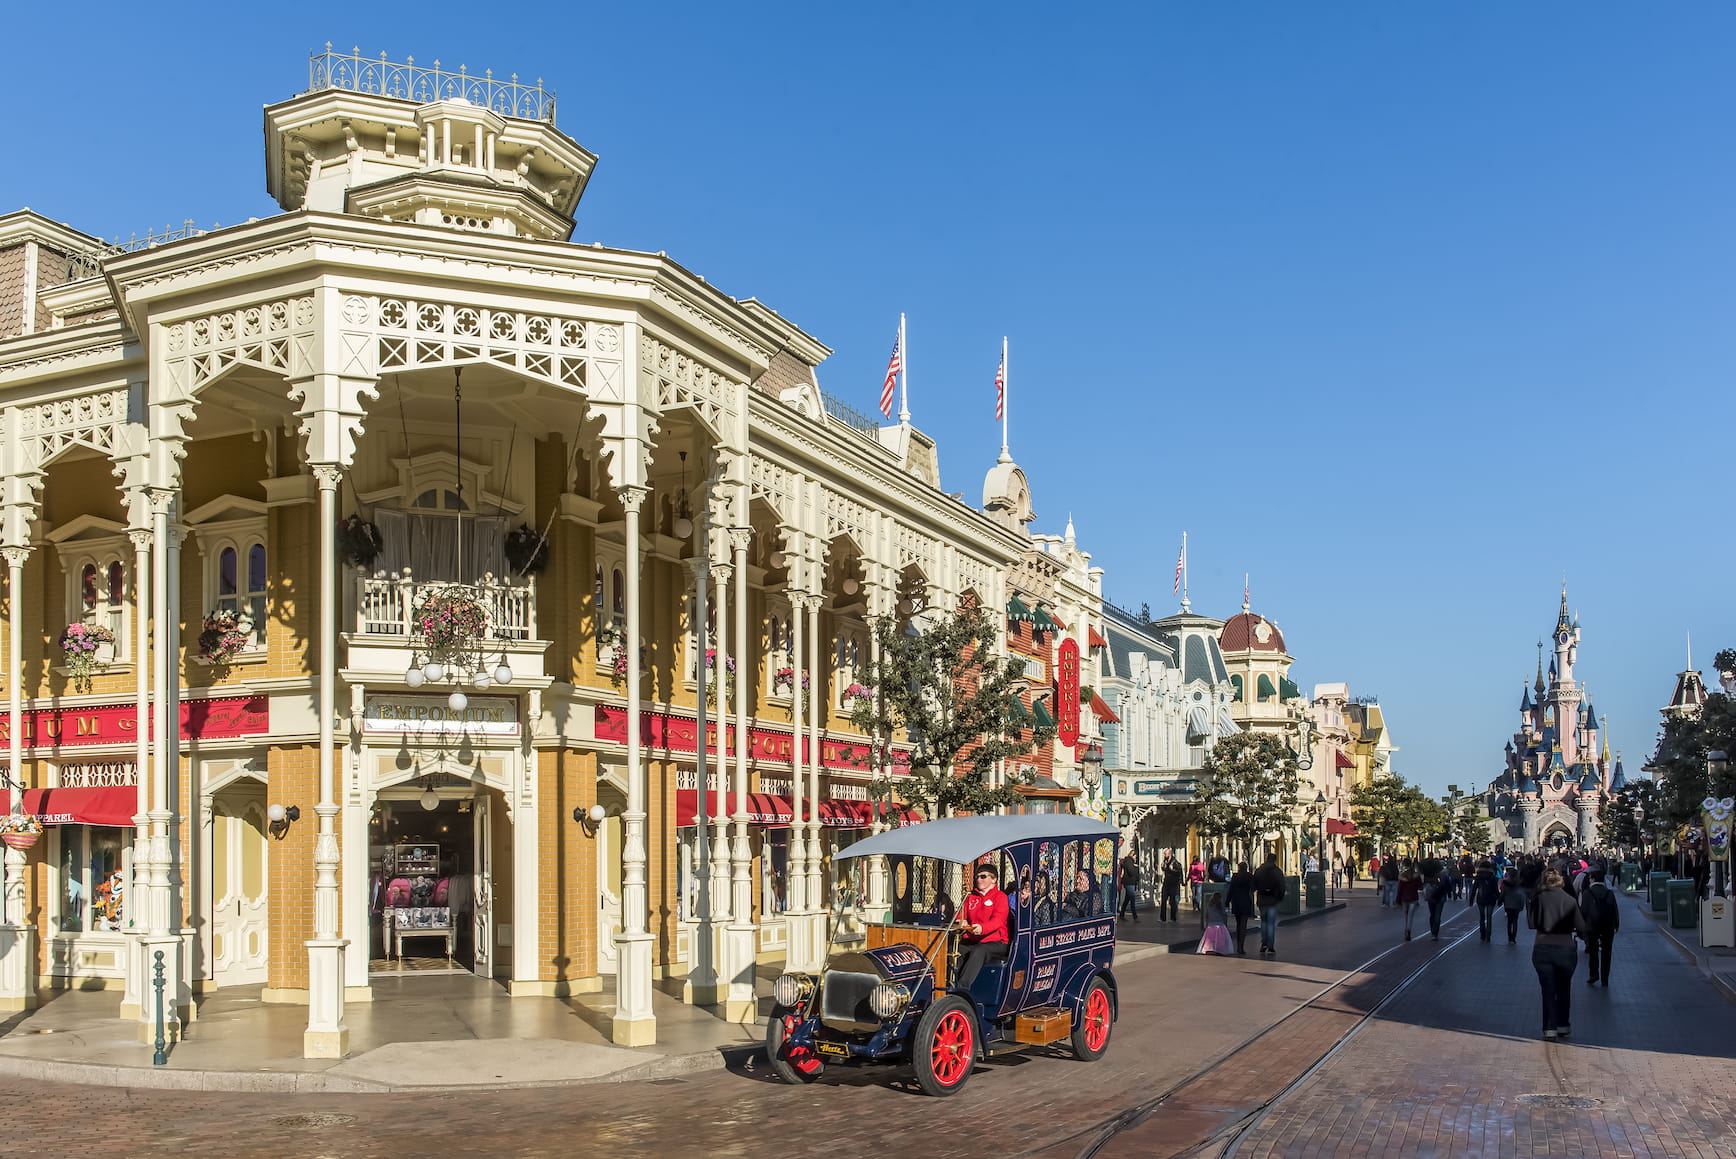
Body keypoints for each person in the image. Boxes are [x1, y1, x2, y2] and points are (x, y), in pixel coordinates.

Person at [1529, 868, 1590, 1040]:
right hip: (1565, 948)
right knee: (1564, 988)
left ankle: (1549, 1028)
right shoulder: (1569, 900)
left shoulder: (1537, 899)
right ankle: (1563, 1025)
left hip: (1542, 947)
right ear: (1560, 882)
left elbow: (1532, 923)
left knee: (1547, 989)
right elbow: (1581, 925)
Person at [954, 865, 1010, 991]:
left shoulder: (1000, 897)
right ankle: (949, 982)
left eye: (983, 876)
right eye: (977, 877)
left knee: (979, 951)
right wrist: (960, 920)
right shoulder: (971, 897)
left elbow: (998, 920)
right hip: (973, 939)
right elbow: (959, 914)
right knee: (956, 950)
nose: (979, 879)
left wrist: (982, 928)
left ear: (994, 879)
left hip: (996, 941)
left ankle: (962, 988)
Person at [1578, 868, 1620, 986]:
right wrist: (1616, 924)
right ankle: (1605, 978)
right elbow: (1614, 909)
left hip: (1592, 926)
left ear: (1593, 879)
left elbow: (1584, 910)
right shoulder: (1609, 893)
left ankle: (1593, 974)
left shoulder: (1588, 892)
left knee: (1593, 951)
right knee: (1607, 951)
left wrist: (1581, 925)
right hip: (1608, 926)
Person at [1253, 853, 1286, 955]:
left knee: (1264, 922)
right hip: (1273, 900)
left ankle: (1264, 943)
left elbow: (1254, 884)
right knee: (1271, 923)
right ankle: (1270, 946)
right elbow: (1282, 886)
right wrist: (1279, 897)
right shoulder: (1277, 871)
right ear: (1275, 860)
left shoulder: (1259, 871)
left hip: (1262, 899)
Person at [1227, 862, 1256, 956]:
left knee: (1238, 924)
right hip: (1246, 902)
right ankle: (1241, 946)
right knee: (1243, 925)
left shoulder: (1235, 877)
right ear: (1246, 868)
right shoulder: (1249, 876)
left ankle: (1239, 944)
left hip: (1236, 902)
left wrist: (1226, 902)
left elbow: (1230, 890)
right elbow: (1253, 888)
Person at [1473, 859, 1500, 942]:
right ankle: (1488, 935)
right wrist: (1500, 899)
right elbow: (1496, 890)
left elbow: (1474, 889)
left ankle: (1482, 934)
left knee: (1482, 916)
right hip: (1491, 899)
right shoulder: (1493, 877)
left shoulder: (1478, 876)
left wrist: (1471, 899)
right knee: (1489, 917)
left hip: (1481, 898)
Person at [1396, 862, 1422, 941]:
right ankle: (1408, 929)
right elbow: (1420, 887)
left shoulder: (1402, 876)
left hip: (1404, 898)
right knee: (1410, 915)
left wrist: (1398, 900)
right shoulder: (1416, 876)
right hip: (1413, 897)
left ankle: (1407, 928)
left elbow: (1400, 889)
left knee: (1406, 915)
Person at [1424, 863, 1450, 940]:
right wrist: (1449, 893)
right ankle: (1435, 933)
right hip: (1441, 896)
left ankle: (1432, 931)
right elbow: (1448, 884)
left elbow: (1424, 883)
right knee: (1438, 915)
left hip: (1431, 896)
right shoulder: (1444, 875)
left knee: (1432, 914)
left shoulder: (1428, 875)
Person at [1160, 851, 1183, 922]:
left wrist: (1173, 869)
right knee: (1163, 900)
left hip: (1173, 884)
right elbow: (1166, 871)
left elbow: (1179, 872)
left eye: (1165, 853)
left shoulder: (1175, 862)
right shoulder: (1166, 861)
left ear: (1169, 854)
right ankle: (1162, 918)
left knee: (1172, 901)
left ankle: (1173, 918)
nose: (1164, 855)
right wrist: (1163, 867)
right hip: (1166, 883)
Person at [1118, 853, 1141, 921]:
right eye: (1135, 857)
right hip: (1129, 883)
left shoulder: (1129, 862)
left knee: (1127, 899)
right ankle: (1135, 916)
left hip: (1130, 883)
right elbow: (1131, 872)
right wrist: (1135, 867)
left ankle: (1122, 914)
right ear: (1132, 855)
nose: (1135, 859)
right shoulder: (1129, 861)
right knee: (1132, 899)